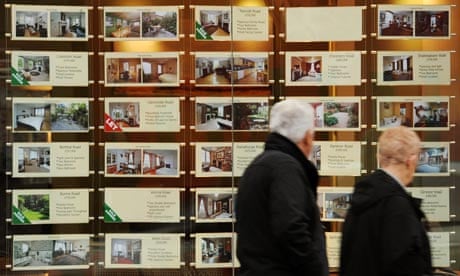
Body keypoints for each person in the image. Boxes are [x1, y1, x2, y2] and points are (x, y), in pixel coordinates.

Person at [236, 100, 329, 276]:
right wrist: (314, 269)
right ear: (307, 137)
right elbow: (291, 227)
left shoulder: (259, 166)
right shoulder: (285, 168)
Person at [340, 126, 432, 276]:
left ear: (379, 157)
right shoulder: (397, 206)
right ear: (411, 160)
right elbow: (404, 266)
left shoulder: (362, 197)